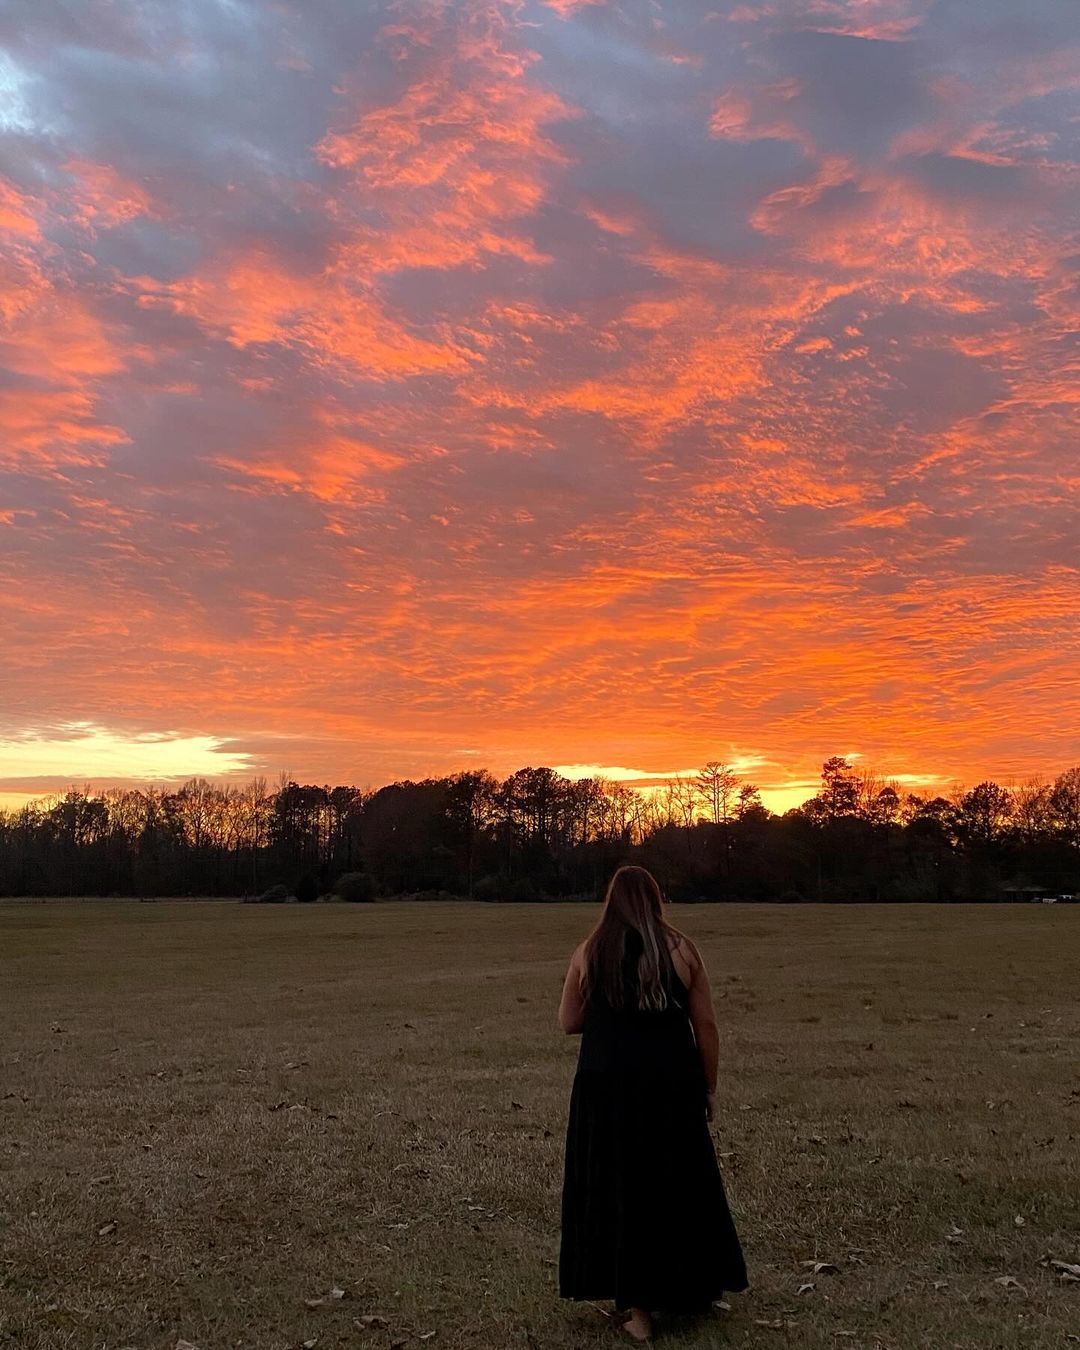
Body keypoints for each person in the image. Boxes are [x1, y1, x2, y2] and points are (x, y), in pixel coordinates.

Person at [557, 864, 748, 1342]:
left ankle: (638, 1309)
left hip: (606, 1088)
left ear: (611, 902)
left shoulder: (589, 951)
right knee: (679, 1181)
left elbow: (568, 1021)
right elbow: (706, 1026)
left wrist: (612, 1009)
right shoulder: (682, 950)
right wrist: (708, 1087)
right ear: (656, 899)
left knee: (619, 1189)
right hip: (670, 1085)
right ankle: (692, 1284)